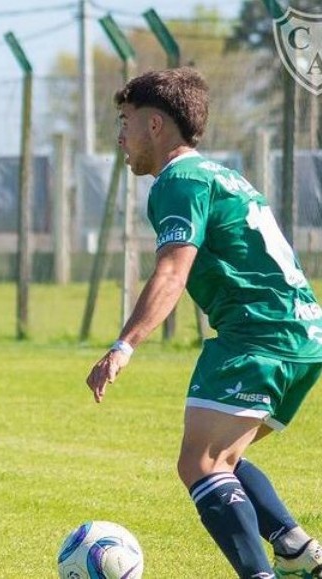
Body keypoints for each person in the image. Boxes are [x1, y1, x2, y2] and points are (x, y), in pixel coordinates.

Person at [85, 67, 322, 578]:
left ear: (155, 124)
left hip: (258, 334)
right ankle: (297, 549)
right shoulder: (220, 174)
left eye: (125, 121)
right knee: (222, 459)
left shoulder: (178, 180)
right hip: (301, 334)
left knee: (203, 464)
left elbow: (173, 268)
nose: (120, 137)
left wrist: (123, 346)